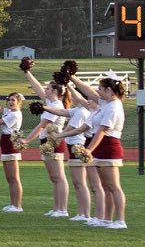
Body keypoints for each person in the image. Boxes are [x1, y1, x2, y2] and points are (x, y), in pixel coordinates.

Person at [69, 74, 127, 229]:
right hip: (101, 147)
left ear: (109, 90)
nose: (98, 91)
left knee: (114, 186)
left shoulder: (114, 107)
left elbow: (102, 131)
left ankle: (121, 220)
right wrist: (72, 77)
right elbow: (87, 91)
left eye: (100, 89)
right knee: (106, 186)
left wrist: (89, 150)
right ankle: (106, 219)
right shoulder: (106, 103)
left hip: (109, 147)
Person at [44, 85, 101, 223]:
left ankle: (85, 213)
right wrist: (44, 108)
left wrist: (58, 135)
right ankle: (82, 212)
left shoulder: (83, 112)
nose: (73, 98)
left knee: (81, 182)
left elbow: (74, 130)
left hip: (78, 145)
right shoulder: (78, 110)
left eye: (75, 96)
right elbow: (61, 111)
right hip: (73, 146)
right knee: (77, 182)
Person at [19, 66, 71, 217]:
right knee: (53, 178)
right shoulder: (50, 103)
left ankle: (63, 209)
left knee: (59, 177)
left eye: (48, 88)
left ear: (55, 91)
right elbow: (37, 88)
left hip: (53, 142)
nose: (45, 90)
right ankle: (56, 208)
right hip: (46, 142)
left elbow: (42, 125)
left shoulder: (56, 106)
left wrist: (27, 139)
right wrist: (27, 72)